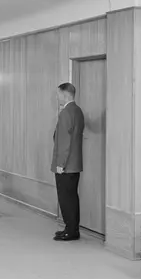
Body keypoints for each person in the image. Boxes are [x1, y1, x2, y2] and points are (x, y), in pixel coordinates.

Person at [51, 82, 85, 241]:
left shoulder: (65, 113)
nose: (57, 97)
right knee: (72, 197)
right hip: (75, 163)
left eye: (58, 94)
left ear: (65, 94)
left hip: (66, 165)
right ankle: (72, 228)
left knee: (65, 198)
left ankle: (70, 231)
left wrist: (60, 164)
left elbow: (64, 141)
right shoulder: (78, 111)